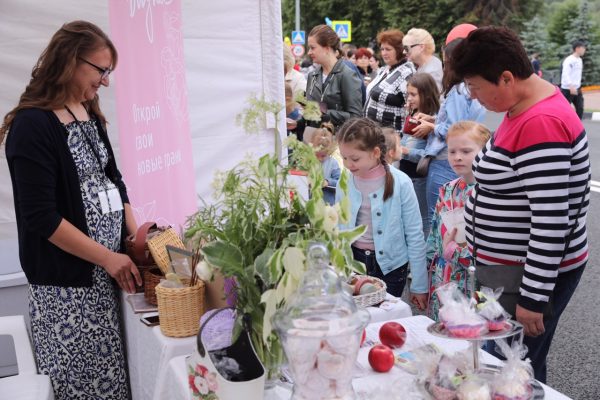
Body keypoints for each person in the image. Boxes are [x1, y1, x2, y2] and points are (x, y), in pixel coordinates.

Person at [2, 21, 141, 399]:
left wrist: (134, 237)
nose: (106, 82)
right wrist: (108, 259)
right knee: (82, 389)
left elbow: (116, 182)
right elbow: (41, 217)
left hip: (103, 284)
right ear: (70, 60)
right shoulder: (32, 126)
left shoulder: (88, 113)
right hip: (67, 294)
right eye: (102, 70)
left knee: (111, 386)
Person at [452, 26, 590, 383]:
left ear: (507, 77)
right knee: (515, 368)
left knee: (513, 373)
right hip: (510, 272)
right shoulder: (522, 107)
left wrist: (533, 298)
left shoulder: (541, 122)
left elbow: (550, 220)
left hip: (528, 277)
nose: (474, 96)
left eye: (476, 87)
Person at [335, 117, 428, 310]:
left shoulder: (401, 182)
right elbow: (338, 225)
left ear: (376, 153)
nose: (348, 164)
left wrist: (419, 286)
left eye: (355, 159)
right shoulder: (345, 179)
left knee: (385, 319)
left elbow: (415, 235)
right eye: (344, 158)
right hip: (354, 263)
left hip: (392, 268)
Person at [413, 38, 486, 236]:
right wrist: (435, 119)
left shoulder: (457, 91)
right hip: (459, 158)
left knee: (438, 217)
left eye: (445, 61)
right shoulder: (469, 89)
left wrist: (431, 126)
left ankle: (434, 262)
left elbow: (454, 130)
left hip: (444, 159)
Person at [426, 121, 490, 321]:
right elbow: (435, 232)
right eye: (452, 151)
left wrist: (456, 252)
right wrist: (428, 268)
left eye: (466, 151)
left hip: (475, 283)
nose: (457, 157)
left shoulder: (489, 193)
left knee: (472, 334)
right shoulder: (447, 189)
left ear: (485, 152)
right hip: (444, 277)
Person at [400, 73, 440, 238]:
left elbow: (430, 153)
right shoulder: (413, 113)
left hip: (419, 177)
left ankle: (423, 259)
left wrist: (407, 152)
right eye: (408, 94)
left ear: (426, 94)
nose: (409, 98)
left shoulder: (432, 120)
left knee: (421, 219)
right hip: (407, 173)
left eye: (413, 94)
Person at [305, 25, 363, 129]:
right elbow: (311, 114)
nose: (309, 52)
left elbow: (355, 117)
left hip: (338, 141)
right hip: (314, 140)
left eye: (312, 48)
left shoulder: (347, 75)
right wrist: (298, 122)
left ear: (327, 48)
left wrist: (325, 113)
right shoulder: (312, 75)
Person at [364, 29, 416, 132]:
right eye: (382, 49)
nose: (384, 53)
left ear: (399, 49)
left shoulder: (407, 73)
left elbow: (412, 109)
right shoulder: (385, 69)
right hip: (375, 132)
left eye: (388, 49)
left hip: (392, 135)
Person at [402, 28, 443, 93]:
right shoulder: (425, 65)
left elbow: (431, 100)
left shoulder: (432, 71)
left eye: (406, 48)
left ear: (421, 47)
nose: (404, 52)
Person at [310, 122, 340, 205]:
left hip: (327, 206)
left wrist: (328, 182)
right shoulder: (307, 161)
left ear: (330, 150)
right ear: (311, 145)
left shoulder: (333, 163)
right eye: (317, 155)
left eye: (323, 155)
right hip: (309, 202)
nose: (320, 158)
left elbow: (340, 182)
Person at [560, 40, 586, 119]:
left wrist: (578, 86)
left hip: (577, 88)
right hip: (568, 89)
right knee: (564, 110)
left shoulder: (579, 60)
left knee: (580, 108)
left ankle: (578, 128)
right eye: (583, 48)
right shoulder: (569, 60)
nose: (584, 50)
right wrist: (570, 86)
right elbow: (565, 74)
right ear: (577, 48)